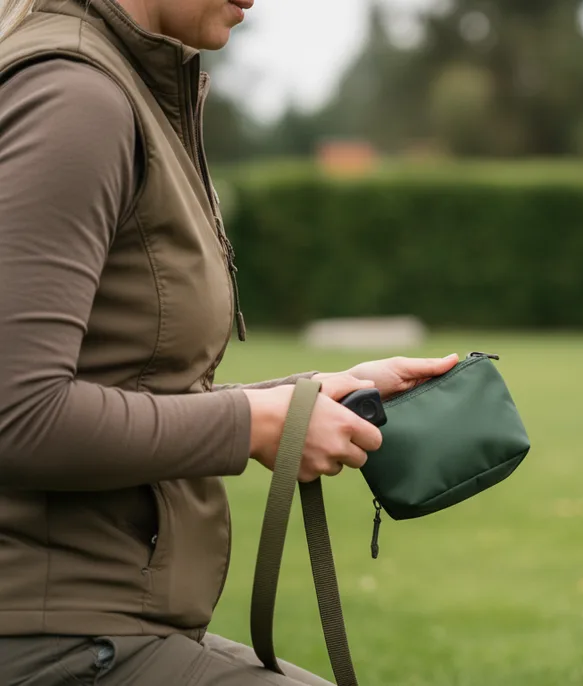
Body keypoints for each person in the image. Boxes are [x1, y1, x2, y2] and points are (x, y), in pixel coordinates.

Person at [0, 0, 458, 683]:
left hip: (102, 618)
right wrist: (252, 423)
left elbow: (119, 385)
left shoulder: (124, 85)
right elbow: (20, 414)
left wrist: (298, 399)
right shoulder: (76, 96)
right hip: (52, 636)